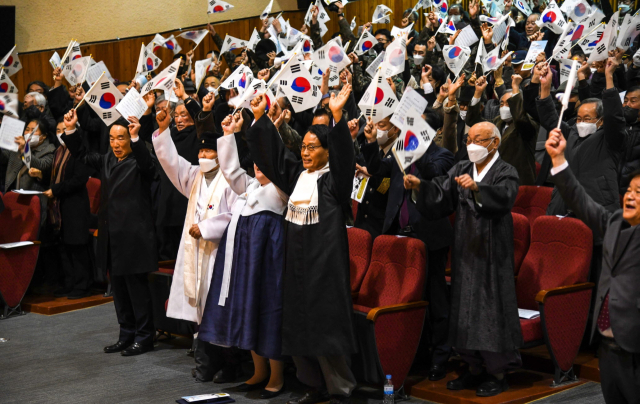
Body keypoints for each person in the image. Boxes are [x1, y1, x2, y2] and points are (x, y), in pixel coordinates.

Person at [246, 86, 357, 404]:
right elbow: (275, 157)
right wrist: (260, 120)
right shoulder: (297, 176)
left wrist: (336, 116)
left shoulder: (334, 181)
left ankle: (341, 388)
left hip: (324, 267)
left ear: (326, 151)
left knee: (325, 330)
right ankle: (313, 384)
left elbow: (344, 158)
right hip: (295, 265)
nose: (306, 153)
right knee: (297, 327)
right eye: (304, 147)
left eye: (313, 148)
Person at [404, 121, 523, 397]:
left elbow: (505, 197)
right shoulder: (461, 168)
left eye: (478, 140)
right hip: (465, 248)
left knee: (489, 310)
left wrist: (479, 190)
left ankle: (497, 372)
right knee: (463, 307)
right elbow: (441, 195)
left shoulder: (506, 171)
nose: (471, 144)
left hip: (493, 251)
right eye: (469, 138)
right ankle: (473, 367)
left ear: (494, 143)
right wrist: (419, 186)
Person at [545, 127, 640, 404]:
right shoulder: (614, 222)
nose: (631, 196)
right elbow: (580, 200)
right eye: (630, 190)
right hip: (609, 346)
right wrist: (559, 159)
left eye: (639, 192)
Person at [198, 113, 288, 398]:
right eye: (256, 164)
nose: (259, 168)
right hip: (245, 263)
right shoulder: (251, 186)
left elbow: (273, 159)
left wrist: (264, 127)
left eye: (265, 164)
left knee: (268, 315)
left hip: (268, 264)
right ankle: (258, 372)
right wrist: (227, 135)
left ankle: (276, 377)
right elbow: (232, 170)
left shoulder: (280, 190)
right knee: (249, 313)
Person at [152, 106, 239, 383]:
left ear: (219, 154)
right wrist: (164, 131)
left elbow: (235, 216)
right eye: (201, 153)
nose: (203, 156)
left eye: (209, 152)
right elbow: (171, 163)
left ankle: (229, 366)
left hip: (218, 255)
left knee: (219, 311)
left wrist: (206, 228)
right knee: (200, 313)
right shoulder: (194, 177)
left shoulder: (231, 181)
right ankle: (205, 364)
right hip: (196, 256)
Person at [61, 110, 157, 356]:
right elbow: (82, 154)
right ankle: (126, 335)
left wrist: (137, 139)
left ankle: (145, 337)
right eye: (112, 138)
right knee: (120, 292)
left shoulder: (140, 162)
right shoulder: (106, 160)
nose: (115, 143)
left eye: (121, 138)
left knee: (137, 291)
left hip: (134, 238)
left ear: (130, 138)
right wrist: (71, 129)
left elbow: (150, 167)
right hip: (111, 238)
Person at [43, 117, 93, 299]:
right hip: (60, 206)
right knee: (65, 246)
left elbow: (79, 180)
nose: (60, 133)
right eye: (58, 130)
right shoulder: (58, 151)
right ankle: (70, 283)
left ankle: (82, 285)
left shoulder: (79, 152)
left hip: (75, 204)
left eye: (64, 129)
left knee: (77, 246)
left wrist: (55, 190)